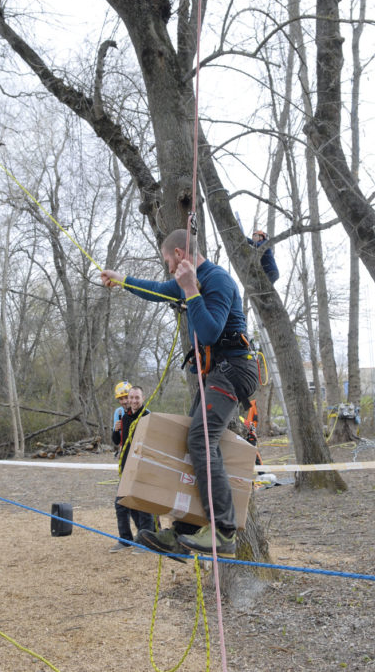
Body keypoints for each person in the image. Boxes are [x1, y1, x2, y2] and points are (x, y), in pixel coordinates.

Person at [101, 229, 259, 559]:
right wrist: (122, 280)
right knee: (194, 440)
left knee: (201, 439)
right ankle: (185, 533)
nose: (168, 268)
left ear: (178, 253)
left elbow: (210, 330)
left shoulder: (217, 280)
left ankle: (224, 530)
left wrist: (189, 289)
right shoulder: (188, 280)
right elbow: (158, 291)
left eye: (167, 261)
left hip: (234, 371)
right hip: (217, 372)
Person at [110, 385, 155, 552]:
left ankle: (146, 541)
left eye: (137, 398)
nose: (134, 401)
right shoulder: (124, 417)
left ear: (142, 399)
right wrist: (116, 430)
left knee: (142, 506)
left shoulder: (147, 416)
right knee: (121, 504)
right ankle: (125, 539)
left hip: (142, 467)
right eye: (131, 398)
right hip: (126, 467)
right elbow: (117, 441)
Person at [111, 380, 132, 454]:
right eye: (121, 399)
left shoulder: (145, 412)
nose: (124, 401)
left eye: (126, 397)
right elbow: (116, 441)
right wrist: (116, 431)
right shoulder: (118, 412)